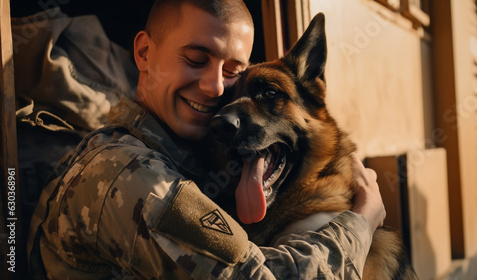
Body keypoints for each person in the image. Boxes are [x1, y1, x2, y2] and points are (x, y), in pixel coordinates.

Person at [27, 0, 386, 279]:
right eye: (196, 59)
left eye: (233, 72)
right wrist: (361, 223)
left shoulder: (179, 157)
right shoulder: (133, 176)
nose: (216, 87)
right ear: (144, 53)